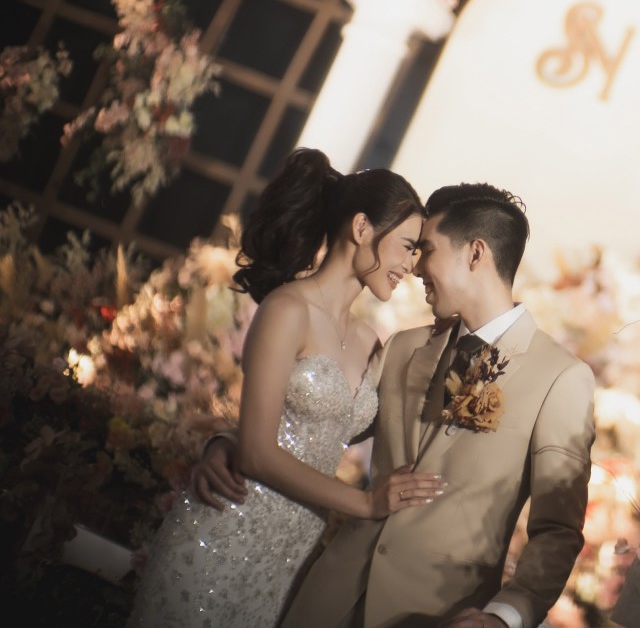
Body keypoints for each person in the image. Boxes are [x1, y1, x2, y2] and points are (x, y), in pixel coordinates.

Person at [194, 183, 597, 628]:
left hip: (439, 615)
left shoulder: (561, 378)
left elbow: (557, 530)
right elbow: (324, 422)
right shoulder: (404, 348)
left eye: (428, 250)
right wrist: (231, 442)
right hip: (328, 600)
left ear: (475, 254)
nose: (415, 267)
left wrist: (505, 616)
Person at [128, 149, 444, 627]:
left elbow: (333, 430)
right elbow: (257, 453)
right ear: (361, 228)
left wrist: (223, 440)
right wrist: (366, 503)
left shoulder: (371, 342)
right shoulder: (287, 310)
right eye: (405, 246)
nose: (410, 265)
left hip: (288, 558)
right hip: (225, 529)